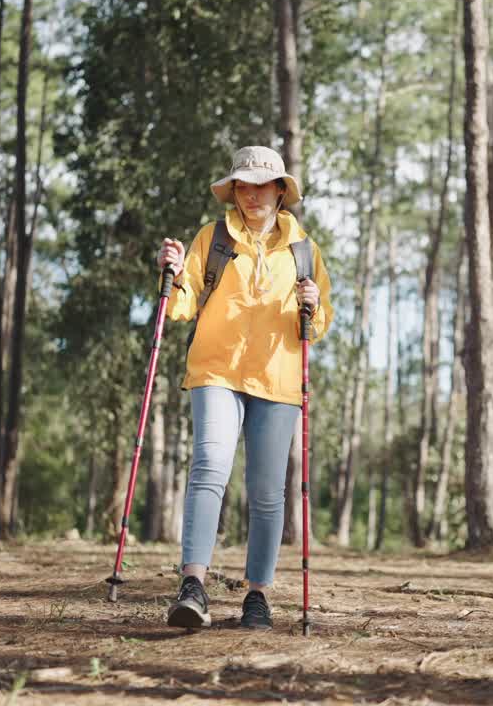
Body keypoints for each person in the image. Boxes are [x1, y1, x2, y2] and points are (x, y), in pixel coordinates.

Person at [157, 146, 333, 630]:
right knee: (210, 465)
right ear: (233, 190)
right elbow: (183, 303)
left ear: (281, 191)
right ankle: (193, 584)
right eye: (243, 185)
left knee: (266, 492)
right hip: (216, 370)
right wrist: (170, 275)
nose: (252, 194)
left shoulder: (303, 250)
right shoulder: (211, 238)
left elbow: (317, 324)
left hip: (277, 379)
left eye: (262, 185)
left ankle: (257, 594)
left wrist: (313, 303)